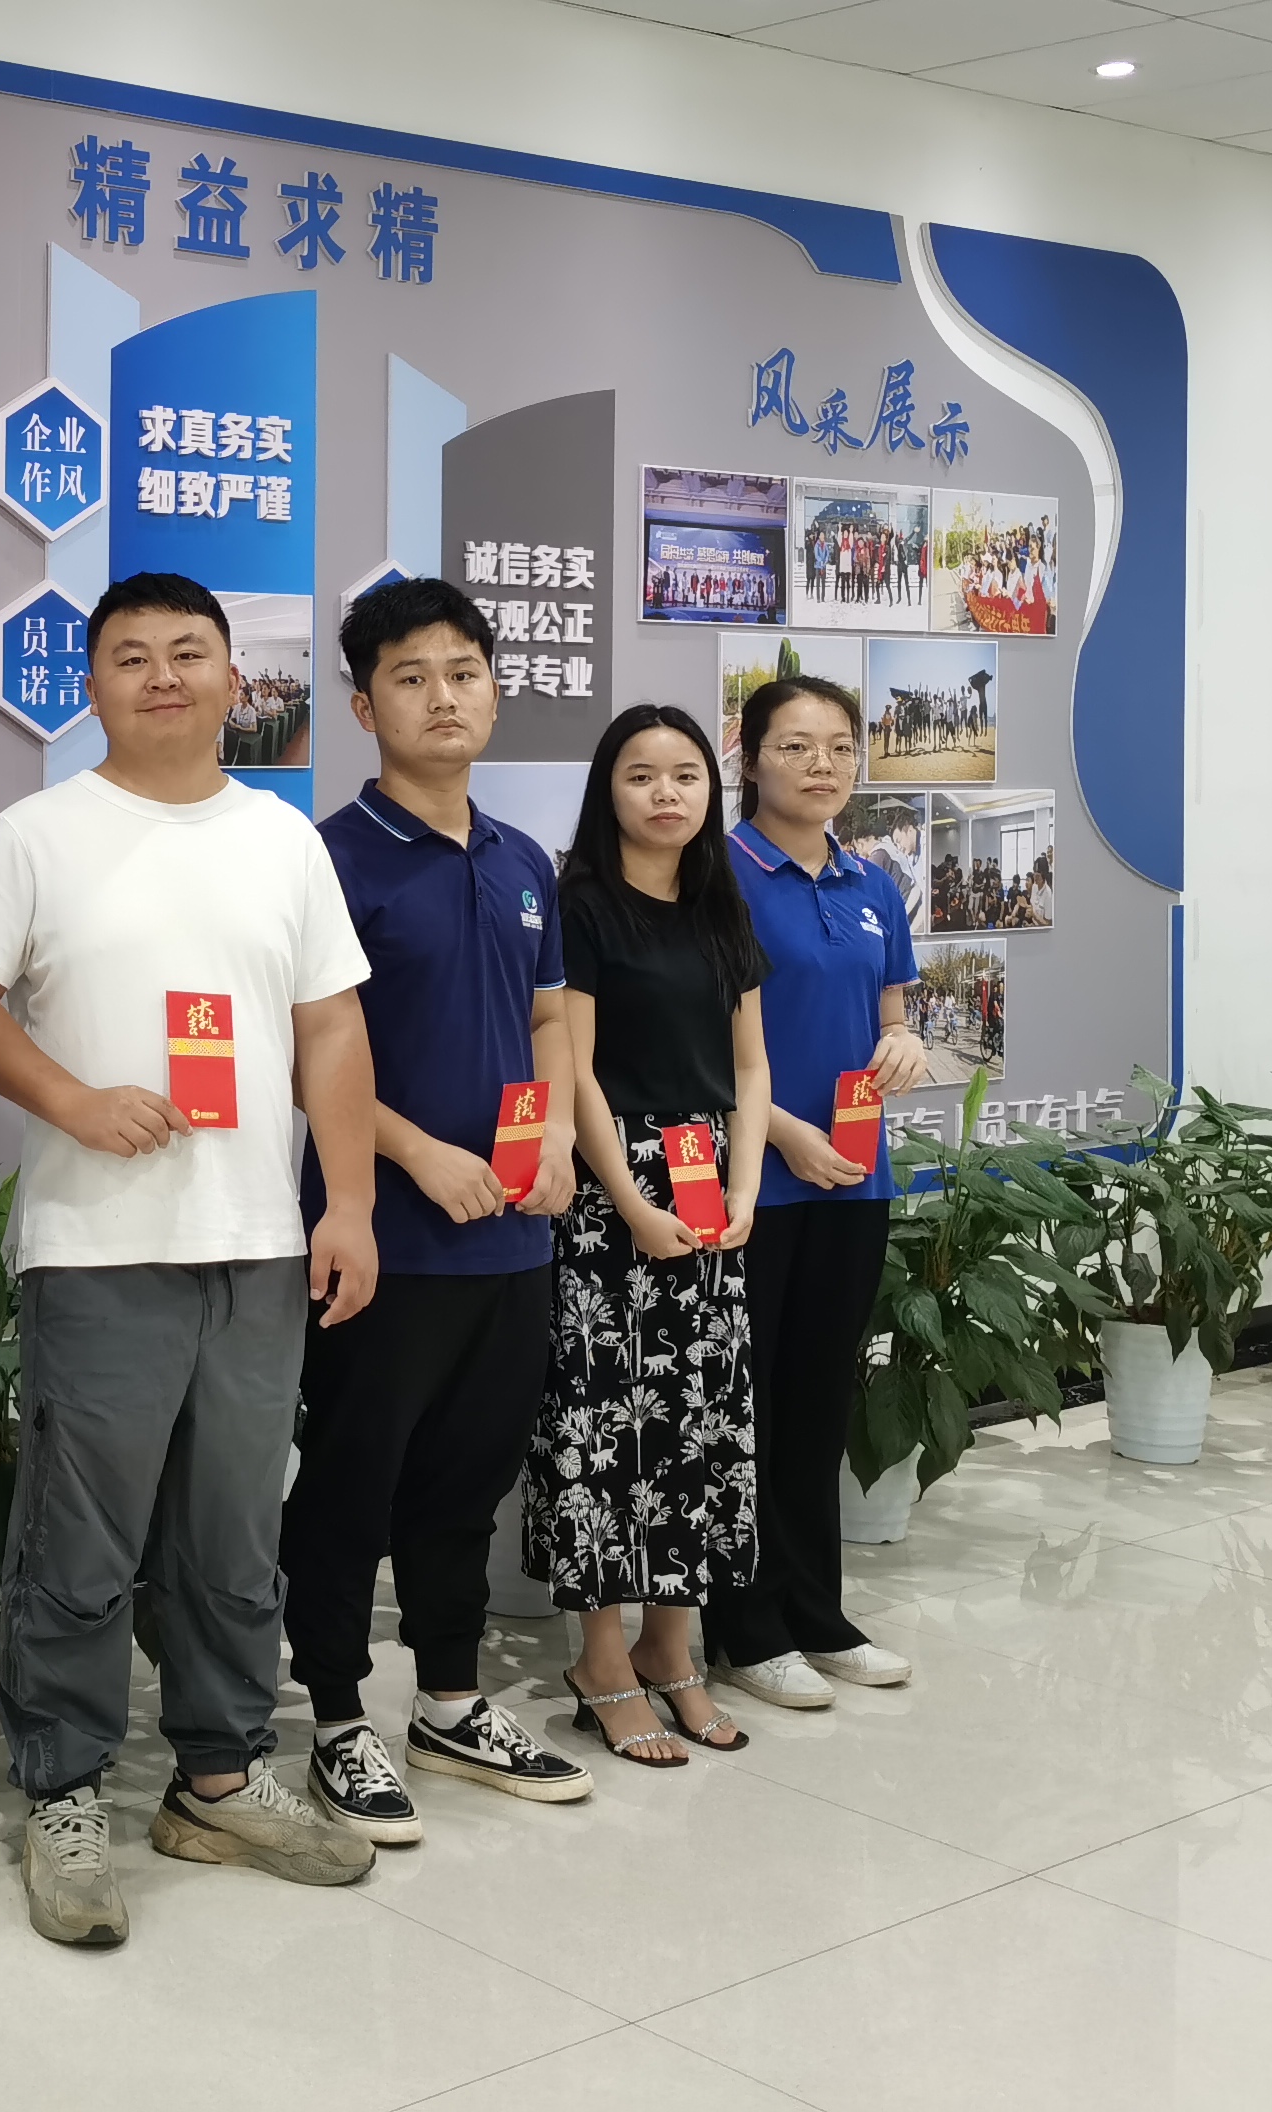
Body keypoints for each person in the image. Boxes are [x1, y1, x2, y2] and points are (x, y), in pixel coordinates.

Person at [0, 572, 384, 1948]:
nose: (162, 676)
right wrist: (74, 1102)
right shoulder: (35, 835)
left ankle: (218, 1777)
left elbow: (331, 1029)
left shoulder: (282, 840)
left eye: (189, 653)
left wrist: (347, 1203)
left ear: (232, 681)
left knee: (235, 1536)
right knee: (78, 1542)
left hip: (255, 1242)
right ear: (90, 686)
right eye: (131, 657)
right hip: (98, 1248)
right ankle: (65, 1790)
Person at [280, 578, 597, 1842]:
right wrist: (416, 1156)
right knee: (350, 1488)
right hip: (382, 1240)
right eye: (411, 678)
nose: (443, 697)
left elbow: (550, 1017)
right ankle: (336, 1720)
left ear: (496, 692)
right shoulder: (326, 858)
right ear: (365, 707)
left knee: (469, 1482)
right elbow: (305, 1053)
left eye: (464, 672)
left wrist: (558, 1133)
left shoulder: (523, 860)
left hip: (512, 1237)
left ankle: (453, 1704)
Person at [529, 704, 771, 1769]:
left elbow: (751, 1066)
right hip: (607, 1193)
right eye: (641, 775)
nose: (666, 793)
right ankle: (601, 1660)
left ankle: (673, 1649)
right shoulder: (579, 904)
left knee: (701, 1428)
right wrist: (628, 1199)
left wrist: (745, 1184)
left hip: (711, 1182)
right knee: (603, 1426)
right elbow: (573, 1069)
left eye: (685, 774)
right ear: (607, 791)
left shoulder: (722, 904)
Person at [709, 674, 932, 1710]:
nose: (822, 765)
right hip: (753, 1184)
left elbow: (891, 1013)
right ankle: (745, 1628)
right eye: (796, 746)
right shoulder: (717, 876)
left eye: (840, 746)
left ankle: (817, 1613)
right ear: (750, 757)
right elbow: (687, 1040)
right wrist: (780, 1134)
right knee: (744, 1407)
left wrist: (904, 1044)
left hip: (853, 1180)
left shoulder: (871, 883)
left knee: (815, 1402)